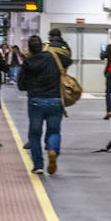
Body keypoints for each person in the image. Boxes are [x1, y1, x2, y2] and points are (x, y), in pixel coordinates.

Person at [18, 34, 65, 175]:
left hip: (36, 101)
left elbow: (21, 85)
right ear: (42, 45)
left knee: (35, 134)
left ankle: (38, 165)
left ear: (30, 48)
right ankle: (52, 150)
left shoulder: (27, 63)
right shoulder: (52, 58)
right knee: (54, 131)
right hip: (55, 100)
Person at [101, 34, 111, 120]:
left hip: (110, 72)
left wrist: (102, 51)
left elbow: (102, 57)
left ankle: (109, 111)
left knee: (108, 93)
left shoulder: (109, 47)